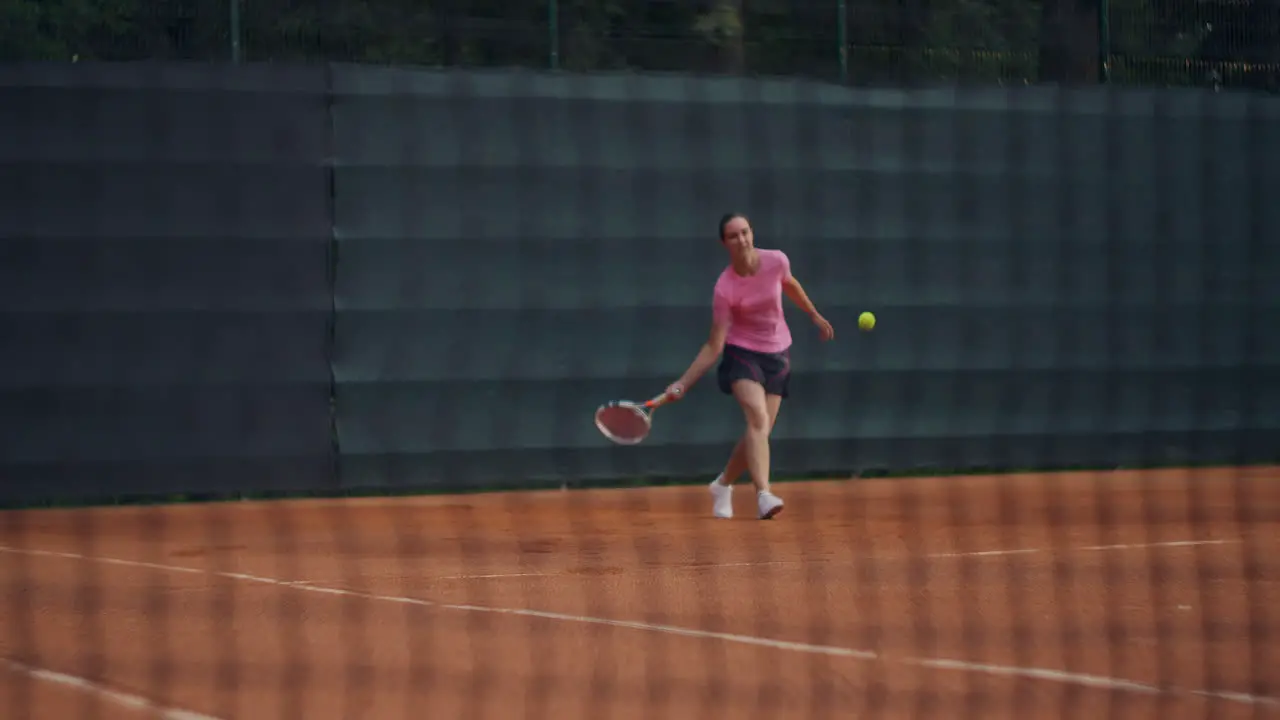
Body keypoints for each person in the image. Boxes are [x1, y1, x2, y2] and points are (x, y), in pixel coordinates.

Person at [664, 213, 834, 520]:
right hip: (741, 354)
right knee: (757, 417)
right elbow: (714, 344)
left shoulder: (776, 261)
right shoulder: (724, 288)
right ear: (724, 243)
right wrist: (683, 383)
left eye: (745, 232)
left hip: (779, 353)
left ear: (752, 233)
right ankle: (764, 494)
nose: (741, 239)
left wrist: (814, 314)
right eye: (733, 236)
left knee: (761, 430)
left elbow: (789, 284)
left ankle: (723, 483)